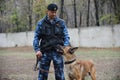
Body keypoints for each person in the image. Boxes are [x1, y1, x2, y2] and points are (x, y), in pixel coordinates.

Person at [33, 3, 70, 80]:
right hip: (45, 52)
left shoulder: (61, 22)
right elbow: (36, 37)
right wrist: (37, 50)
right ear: (47, 11)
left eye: (55, 12)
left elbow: (66, 36)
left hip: (58, 52)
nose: (54, 14)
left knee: (60, 75)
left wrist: (65, 46)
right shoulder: (41, 23)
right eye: (52, 12)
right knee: (42, 75)